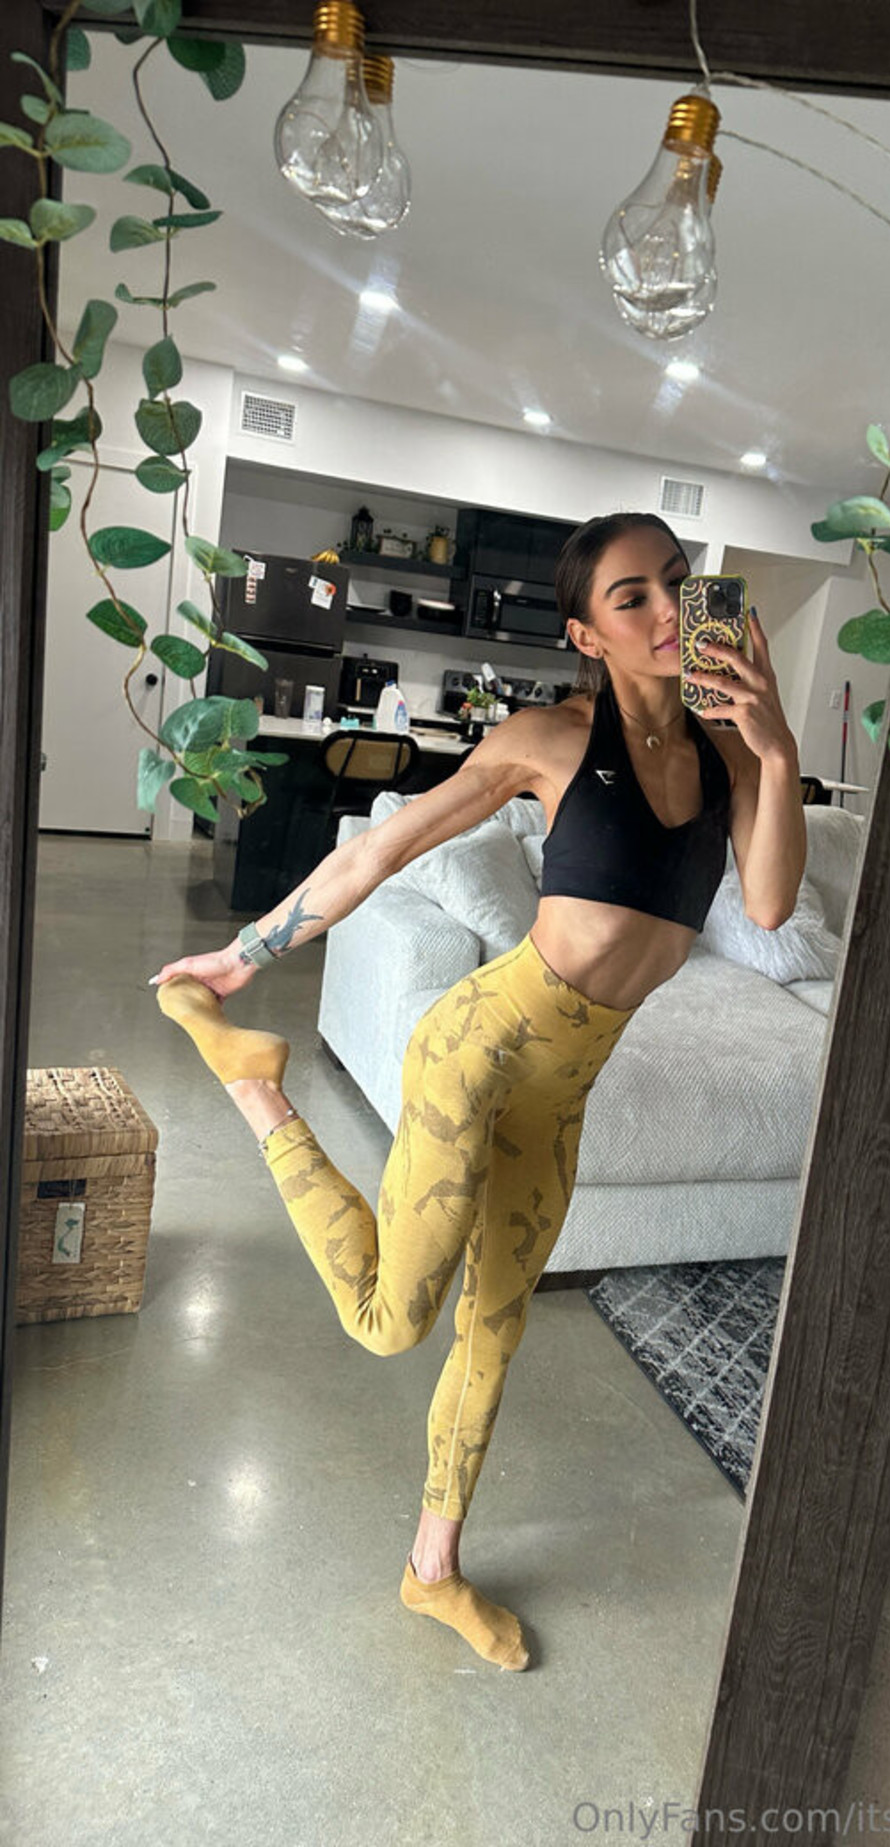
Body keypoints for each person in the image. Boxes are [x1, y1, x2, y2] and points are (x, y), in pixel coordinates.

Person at [148, 511, 806, 1673]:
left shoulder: (733, 752)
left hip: (565, 1087)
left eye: (678, 582)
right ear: (586, 634)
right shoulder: (550, 738)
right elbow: (379, 848)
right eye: (633, 597)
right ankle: (256, 1087)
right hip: (478, 1048)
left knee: (494, 1328)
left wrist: (779, 745)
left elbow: (766, 904)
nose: (668, 611)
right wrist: (246, 954)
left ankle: (433, 1567)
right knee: (391, 1321)